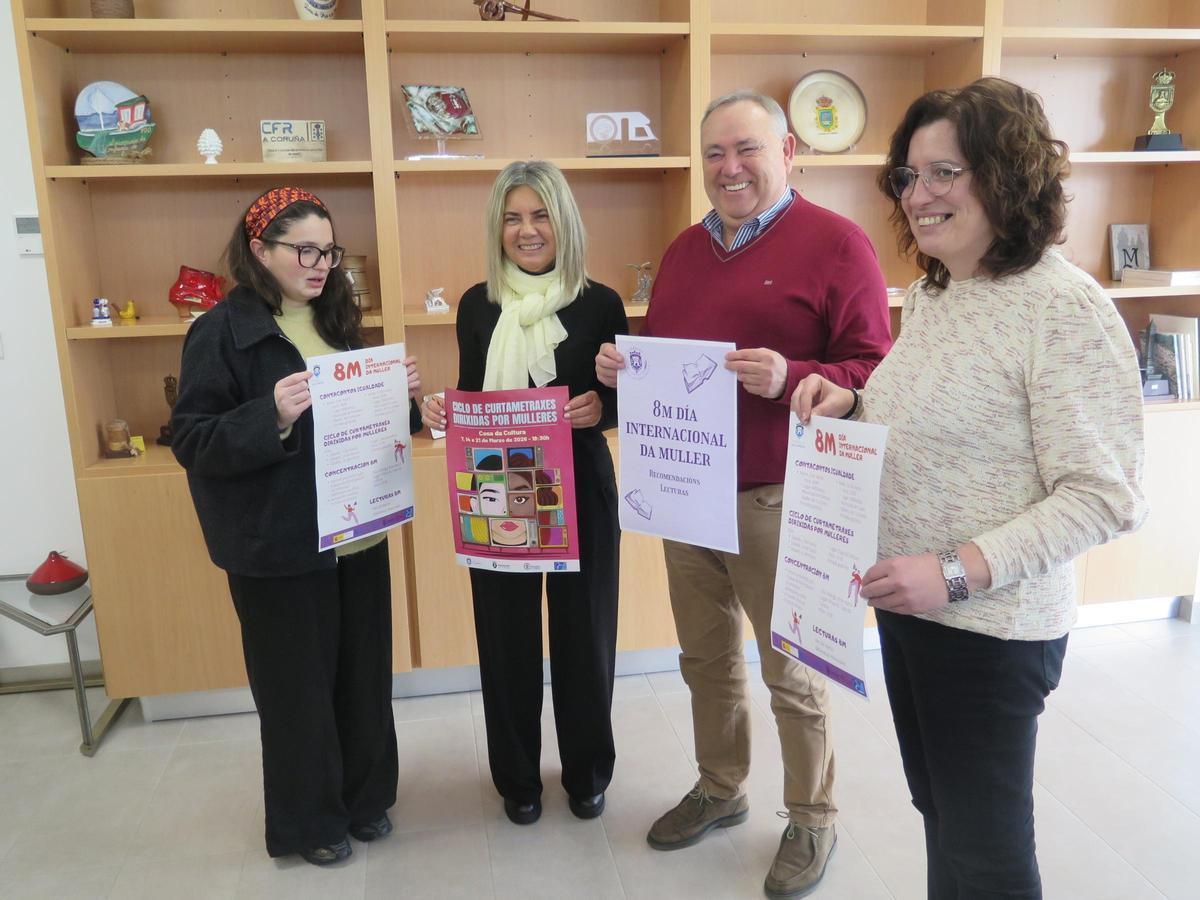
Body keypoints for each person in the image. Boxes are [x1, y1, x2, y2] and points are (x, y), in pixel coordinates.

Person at [792, 78, 1148, 898]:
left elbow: (1105, 495)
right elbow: (924, 408)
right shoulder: (937, 292)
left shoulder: (1062, 309)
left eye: (944, 172)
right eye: (909, 178)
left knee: (986, 853)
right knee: (941, 814)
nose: (920, 195)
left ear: (1006, 175)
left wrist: (953, 569)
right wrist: (851, 399)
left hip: (990, 627)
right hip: (912, 610)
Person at [596, 89, 892, 898]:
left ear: (788, 150)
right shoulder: (687, 250)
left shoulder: (839, 244)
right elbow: (666, 357)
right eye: (715, 155)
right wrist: (624, 367)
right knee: (705, 660)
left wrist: (795, 375)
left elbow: (875, 371)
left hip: (778, 497)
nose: (729, 168)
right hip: (684, 491)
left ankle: (812, 816)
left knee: (791, 671)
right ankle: (721, 787)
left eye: (747, 150)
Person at [171, 187, 423, 866]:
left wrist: (405, 399)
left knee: (363, 681)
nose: (319, 264)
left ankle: (366, 801)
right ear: (260, 250)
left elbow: (366, 425)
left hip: (359, 535)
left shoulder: (338, 319)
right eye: (303, 250)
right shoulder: (219, 332)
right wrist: (271, 417)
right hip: (279, 547)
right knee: (296, 694)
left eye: (328, 251)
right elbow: (192, 439)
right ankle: (311, 823)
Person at [420, 160, 628, 826]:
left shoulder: (600, 302)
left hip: (581, 486)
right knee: (504, 637)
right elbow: (474, 393)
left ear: (562, 221)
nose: (527, 230)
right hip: (497, 482)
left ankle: (588, 773)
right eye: (513, 217)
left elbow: (626, 399)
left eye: (540, 215)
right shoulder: (477, 306)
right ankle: (517, 780)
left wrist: (604, 409)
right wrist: (444, 413)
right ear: (498, 227)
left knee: (584, 636)